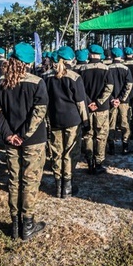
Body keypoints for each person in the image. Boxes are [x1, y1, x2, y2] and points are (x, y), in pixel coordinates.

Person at [0, 43, 49, 241]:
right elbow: (39, 113)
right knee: (30, 181)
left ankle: (15, 223)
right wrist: (24, 134)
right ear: (29, 62)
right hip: (32, 140)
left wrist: (8, 134)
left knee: (14, 180)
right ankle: (27, 224)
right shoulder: (37, 82)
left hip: (10, 139)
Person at [45, 46, 88, 198]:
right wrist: (86, 121)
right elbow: (80, 102)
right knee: (70, 152)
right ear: (70, 59)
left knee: (56, 152)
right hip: (72, 119)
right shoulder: (74, 77)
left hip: (54, 119)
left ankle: (58, 186)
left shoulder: (46, 77)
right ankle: (67, 187)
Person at [78, 44, 113, 173]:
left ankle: (89, 161)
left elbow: (79, 89)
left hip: (87, 108)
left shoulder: (82, 69)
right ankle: (99, 162)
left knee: (88, 135)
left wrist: (89, 102)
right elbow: (109, 88)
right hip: (102, 108)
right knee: (101, 135)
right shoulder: (106, 69)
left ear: (89, 54)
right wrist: (98, 102)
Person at [106, 48, 133, 155]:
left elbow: (106, 86)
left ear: (111, 56)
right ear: (121, 56)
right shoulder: (126, 69)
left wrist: (112, 99)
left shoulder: (107, 69)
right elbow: (129, 85)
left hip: (111, 102)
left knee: (111, 123)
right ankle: (125, 146)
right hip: (123, 102)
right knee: (124, 123)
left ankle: (111, 147)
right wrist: (120, 99)